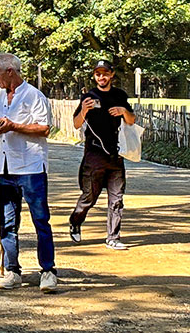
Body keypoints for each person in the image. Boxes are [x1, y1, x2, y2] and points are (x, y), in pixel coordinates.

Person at [0, 53, 57, 292]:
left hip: (32, 167)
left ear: (10, 72)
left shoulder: (34, 96)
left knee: (40, 220)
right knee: (7, 223)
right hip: (6, 167)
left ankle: (48, 270)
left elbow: (45, 129)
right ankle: (12, 270)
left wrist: (14, 125)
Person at [70, 59, 136, 251]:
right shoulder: (88, 96)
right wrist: (84, 110)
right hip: (94, 155)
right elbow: (75, 123)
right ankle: (75, 220)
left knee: (117, 198)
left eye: (105, 73)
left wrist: (124, 111)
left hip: (116, 155)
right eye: (98, 74)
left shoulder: (119, 95)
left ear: (111, 75)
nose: (102, 77)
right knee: (89, 196)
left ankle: (113, 237)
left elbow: (131, 120)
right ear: (94, 76)